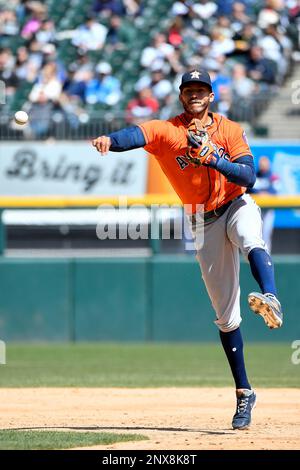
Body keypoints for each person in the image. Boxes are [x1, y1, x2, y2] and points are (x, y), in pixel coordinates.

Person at [92, 69, 283, 430]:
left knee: (251, 237)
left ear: (211, 96)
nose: (195, 94)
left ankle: (270, 295)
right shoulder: (169, 131)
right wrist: (109, 140)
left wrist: (215, 160)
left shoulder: (228, 129)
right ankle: (244, 392)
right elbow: (137, 134)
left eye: (201, 89)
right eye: (189, 89)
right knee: (226, 317)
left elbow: (247, 176)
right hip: (200, 219)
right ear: (182, 96)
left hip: (235, 203)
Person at [248, 156, 280, 253]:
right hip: (256, 209)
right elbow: (249, 189)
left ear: (269, 164)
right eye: (261, 163)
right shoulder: (255, 175)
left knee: (266, 234)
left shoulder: (273, 176)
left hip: (268, 210)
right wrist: (261, 194)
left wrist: (264, 194)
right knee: (256, 234)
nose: (263, 165)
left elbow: (275, 191)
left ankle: (267, 255)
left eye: (265, 163)